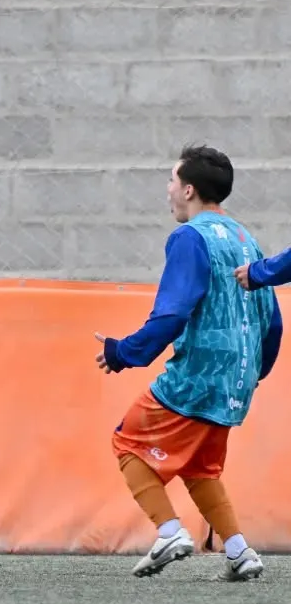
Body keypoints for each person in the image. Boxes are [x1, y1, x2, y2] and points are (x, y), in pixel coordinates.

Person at [94, 145, 282, 581]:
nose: (168, 189)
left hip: (196, 378)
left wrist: (123, 353)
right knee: (201, 468)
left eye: (172, 180)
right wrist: (255, 372)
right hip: (235, 383)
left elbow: (172, 313)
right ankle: (239, 551)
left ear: (189, 190)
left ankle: (169, 532)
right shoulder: (245, 238)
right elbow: (272, 321)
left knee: (128, 442)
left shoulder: (189, 237)